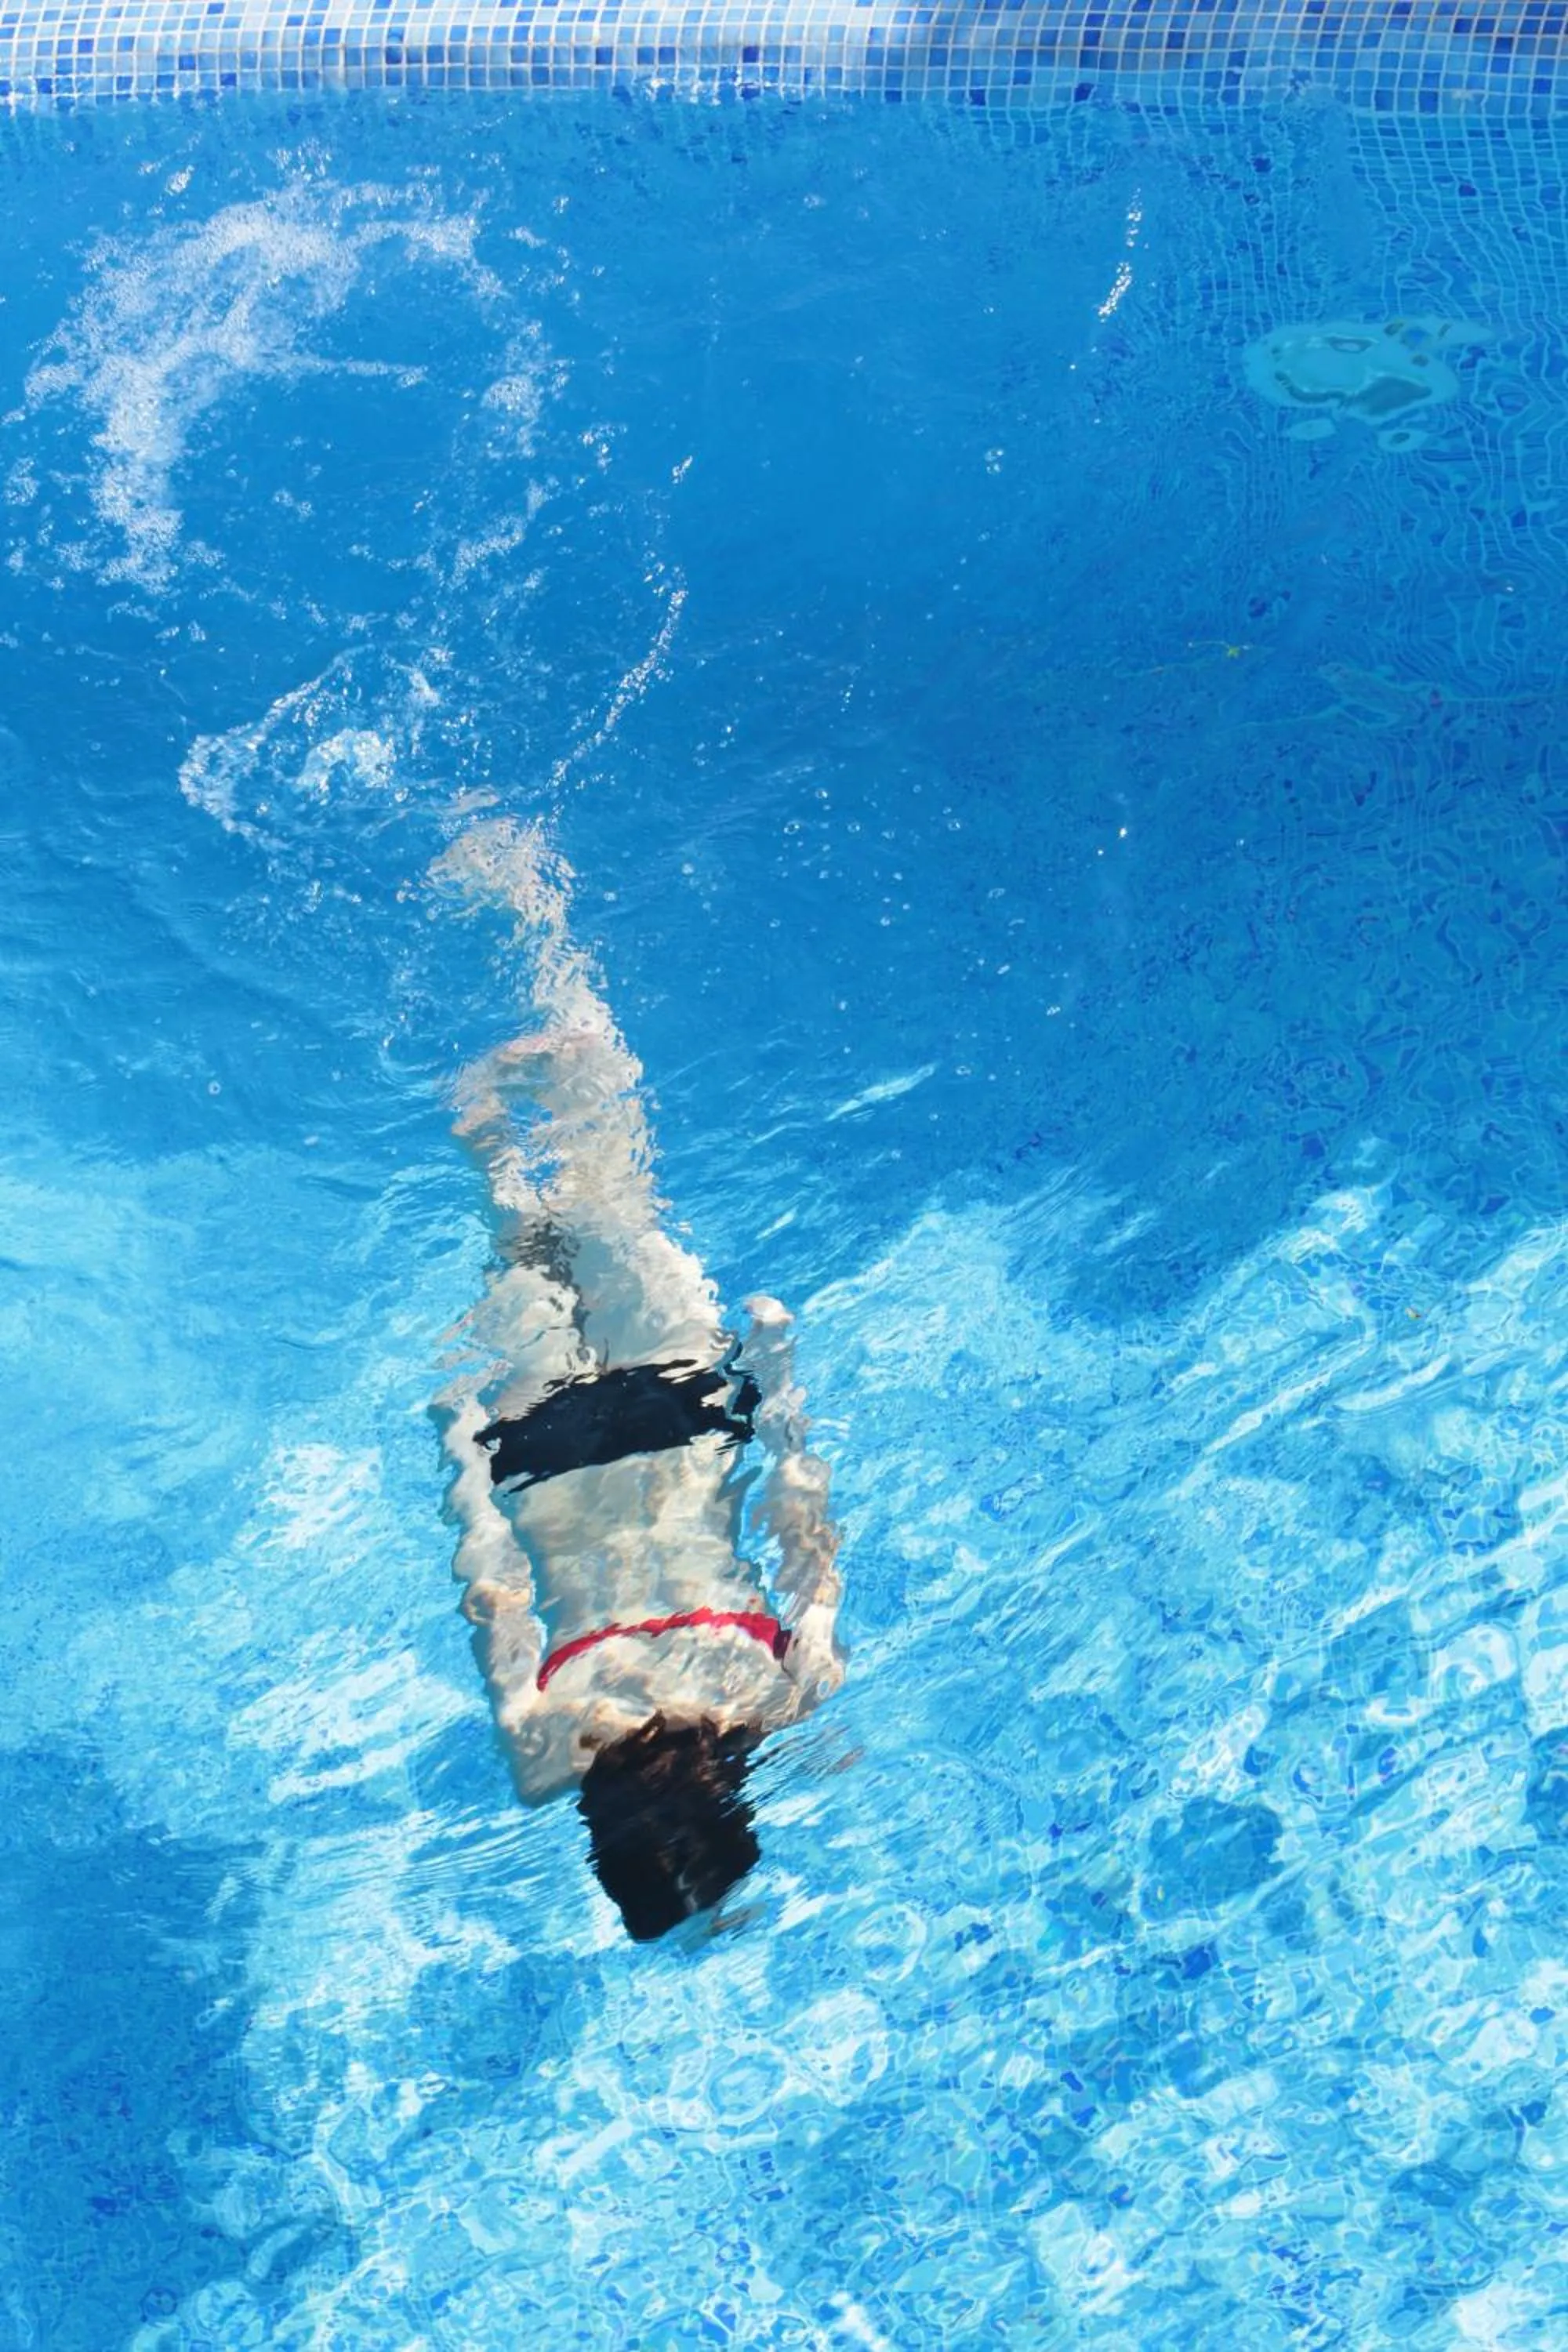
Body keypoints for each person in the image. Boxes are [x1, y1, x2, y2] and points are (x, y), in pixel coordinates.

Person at [431, 817, 844, 1942]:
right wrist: (463, 1461)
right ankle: (525, 916)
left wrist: (779, 1387)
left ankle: (524, 921)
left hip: (654, 1432)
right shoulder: (557, 1755)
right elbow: (494, 1593)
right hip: (567, 1447)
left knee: (572, 1191)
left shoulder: (773, 1702)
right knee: (567, 1198)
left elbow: (807, 1538)